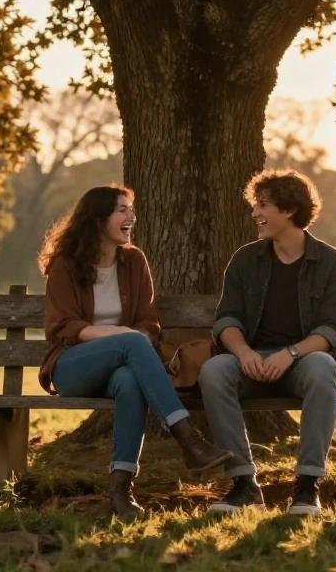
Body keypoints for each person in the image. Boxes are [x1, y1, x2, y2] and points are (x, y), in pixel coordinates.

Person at [38, 185, 231, 520]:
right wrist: (124, 335)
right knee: (132, 342)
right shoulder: (65, 264)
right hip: (73, 366)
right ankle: (188, 439)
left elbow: (147, 320)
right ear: (98, 219)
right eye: (121, 210)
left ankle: (121, 489)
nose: (131, 217)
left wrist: (136, 335)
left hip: (119, 366)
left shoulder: (134, 261)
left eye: (131, 209)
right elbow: (63, 326)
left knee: (129, 379)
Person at [199, 169, 336, 515]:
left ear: (289, 210)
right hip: (250, 361)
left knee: (322, 367)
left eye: (263, 205)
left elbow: (331, 331)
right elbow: (227, 319)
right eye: (256, 204)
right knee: (213, 371)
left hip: (302, 362)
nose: (255, 213)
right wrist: (243, 352)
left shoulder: (332, 263)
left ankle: (306, 487)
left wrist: (291, 353)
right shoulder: (245, 260)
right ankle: (243, 484)